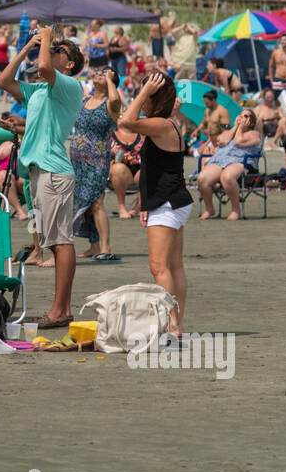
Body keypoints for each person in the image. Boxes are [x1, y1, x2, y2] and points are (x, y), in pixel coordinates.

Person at [0, 25, 85, 328]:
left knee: (61, 242)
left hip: (54, 170)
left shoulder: (70, 85)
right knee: (52, 242)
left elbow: (46, 66)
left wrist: (46, 38)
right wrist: (27, 47)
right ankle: (61, 309)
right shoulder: (40, 90)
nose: (53, 52)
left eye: (60, 51)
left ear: (70, 64)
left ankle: (61, 310)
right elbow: (3, 80)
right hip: (38, 170)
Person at [118, 72, 193, 338]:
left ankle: (172, 324)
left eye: (147, 96)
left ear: (153, 98)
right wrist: (146, 204)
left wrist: (145, 91)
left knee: (159, 267)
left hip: (169, 203)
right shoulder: (166, 124)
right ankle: (177, 323)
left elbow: (126, 121)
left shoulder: (162, 124)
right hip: (172, 200)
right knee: (174, 265)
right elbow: (157, 170)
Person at [70, 68, 124, 262]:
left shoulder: (110, 104)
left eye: (107, 73)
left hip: (97, 160)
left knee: (97, 201)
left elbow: (116, 101)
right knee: (84, 202)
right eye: (99, 73)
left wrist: (110, 80)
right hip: (77, 161)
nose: (101, 74)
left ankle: (105, 247)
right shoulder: (84, 102)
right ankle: (93, 246)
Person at [196, 109, 262, 220]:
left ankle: (236, 210)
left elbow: (238, 142)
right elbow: (221, 141)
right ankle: (209, 208)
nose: (242, 118)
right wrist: (236, 127)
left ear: (252, 122)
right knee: (202, 178)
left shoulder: (254, 134)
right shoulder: (232, 131)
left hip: (242, 162)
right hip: (220, 161)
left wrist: (241, 128)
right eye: (240, 115)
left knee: (227, 176)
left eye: (246, 116)